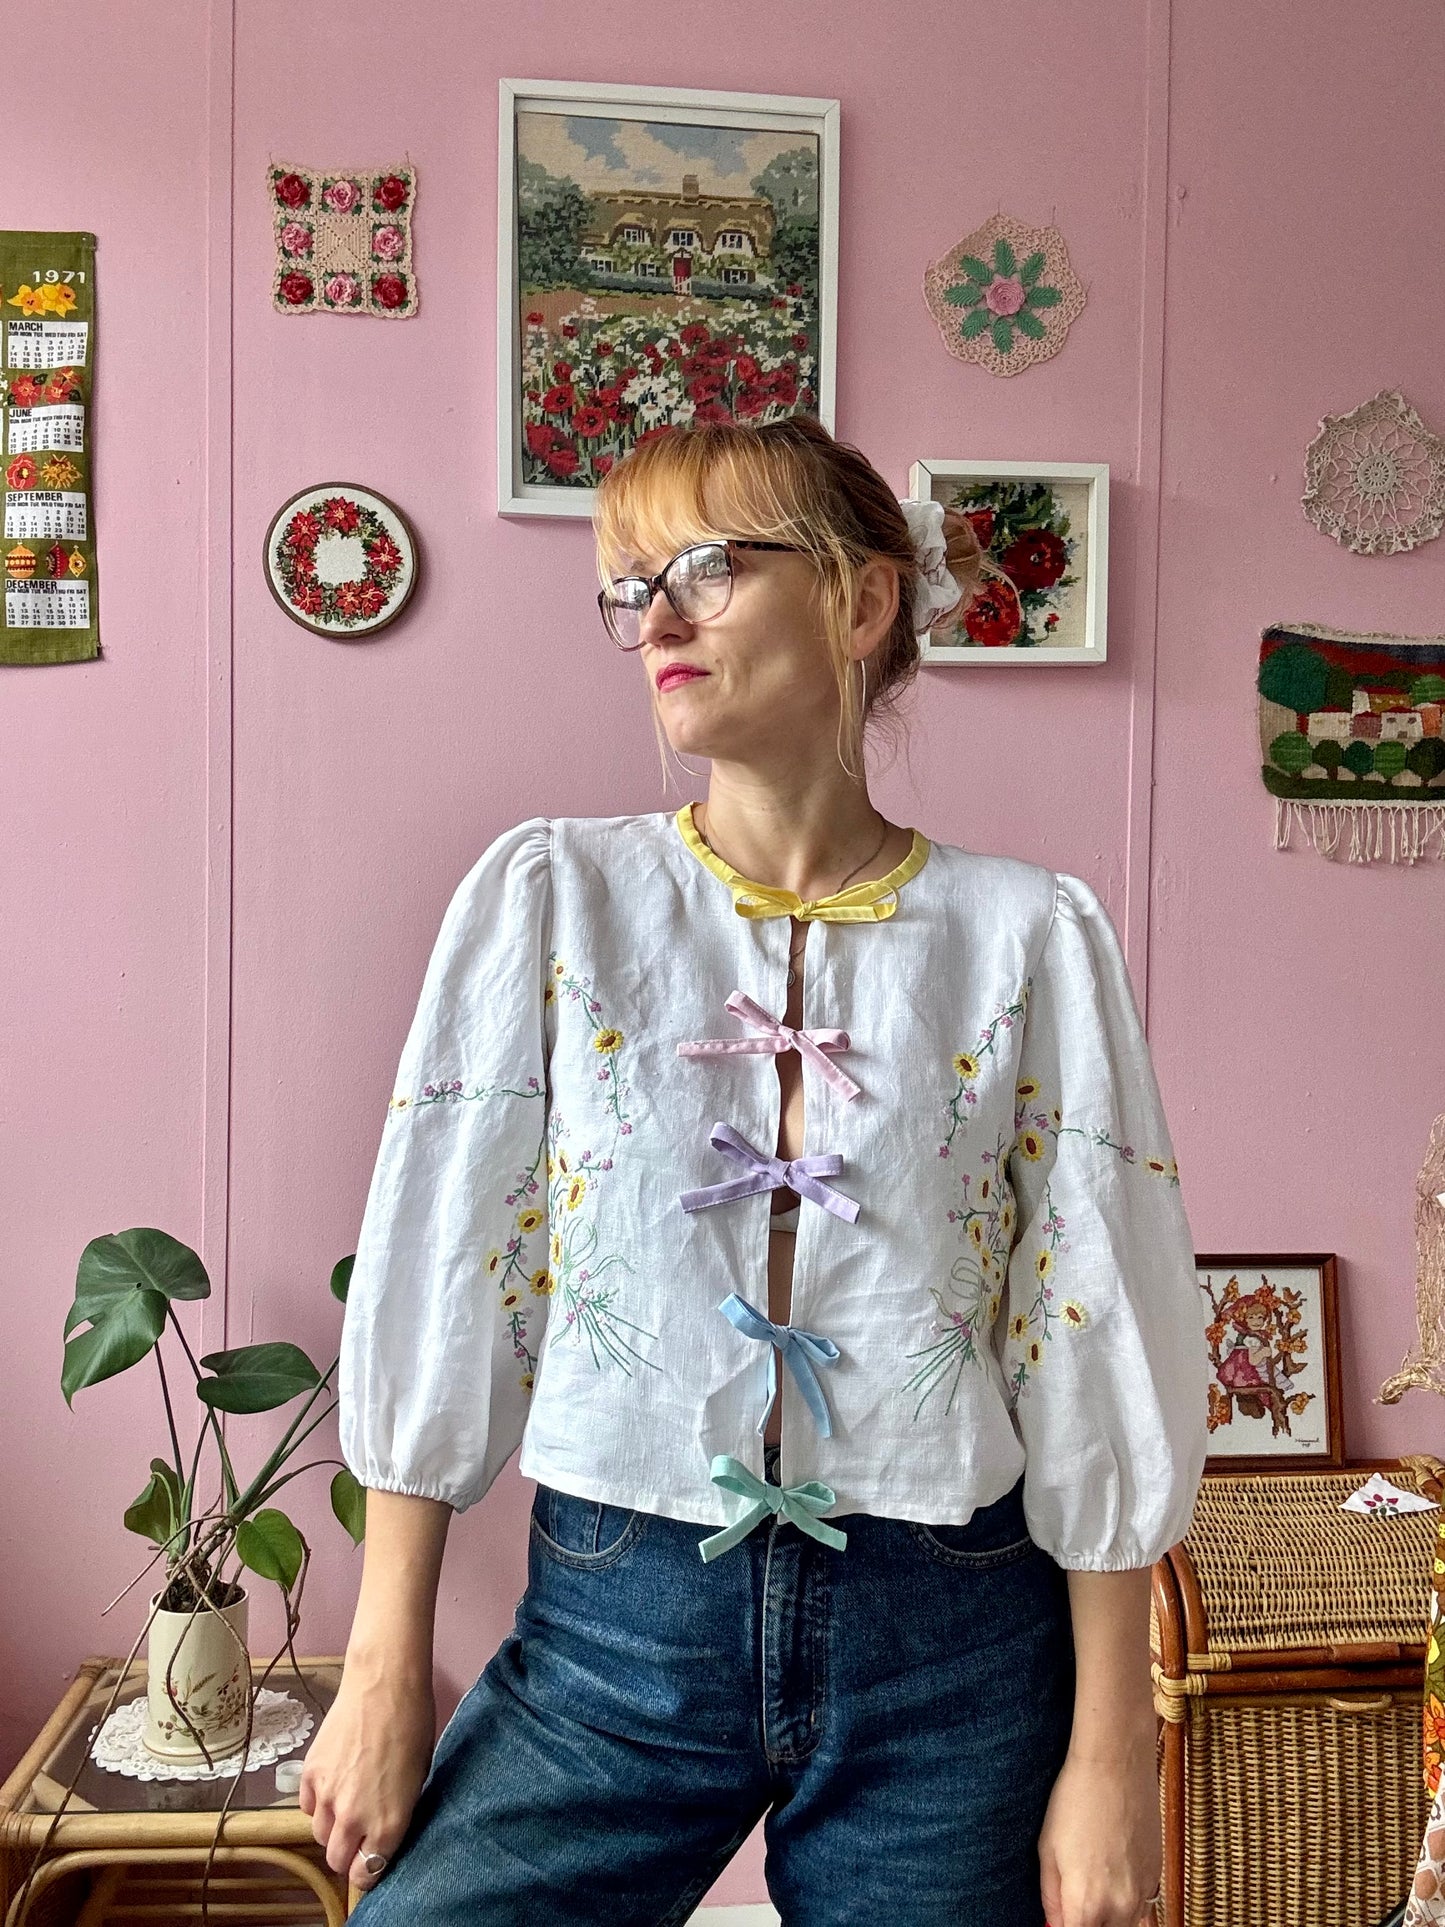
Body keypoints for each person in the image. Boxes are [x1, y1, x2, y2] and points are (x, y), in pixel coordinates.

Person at [300, 415, 1210, 1927]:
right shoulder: (556, 897)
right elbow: (456, 1270)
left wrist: (1110, 1751)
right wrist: (384, 1663)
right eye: (628, 582)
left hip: (954, 1644)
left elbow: (1085, 1330)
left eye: (709, 569)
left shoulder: (1026, 937)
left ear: (859, 606)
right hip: (613, 1627)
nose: (653, 617)